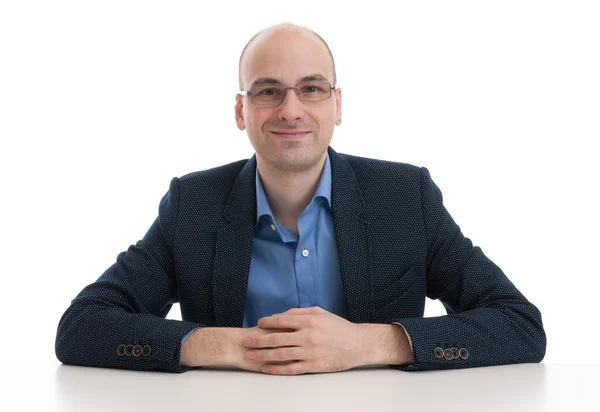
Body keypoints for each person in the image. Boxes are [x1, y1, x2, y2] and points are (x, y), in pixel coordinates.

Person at [55, 23, 546, 376]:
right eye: (268, 91)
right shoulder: (193, 204)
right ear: (240, 111)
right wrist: (232, 347)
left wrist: (371, 342)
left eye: (311, 89)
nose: (291, 110)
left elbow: (520, 324)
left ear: (337, 104)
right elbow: (81, 327)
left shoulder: (405, 196)